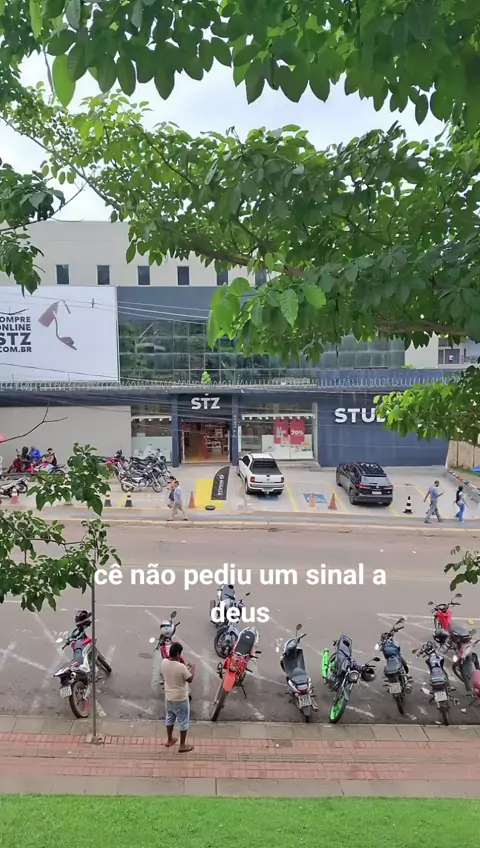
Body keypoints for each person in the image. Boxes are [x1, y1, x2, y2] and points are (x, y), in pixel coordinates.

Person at [161, 642, 195, 752]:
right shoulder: (181, 667)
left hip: (168, 698)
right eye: (180, 653)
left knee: (169, 717)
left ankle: (169, 740)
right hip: (180, 699)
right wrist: (192, 668)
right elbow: (190, 679)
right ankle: (182, 745)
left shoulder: (164, 662)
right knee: (183, 721)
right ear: (177, 654)